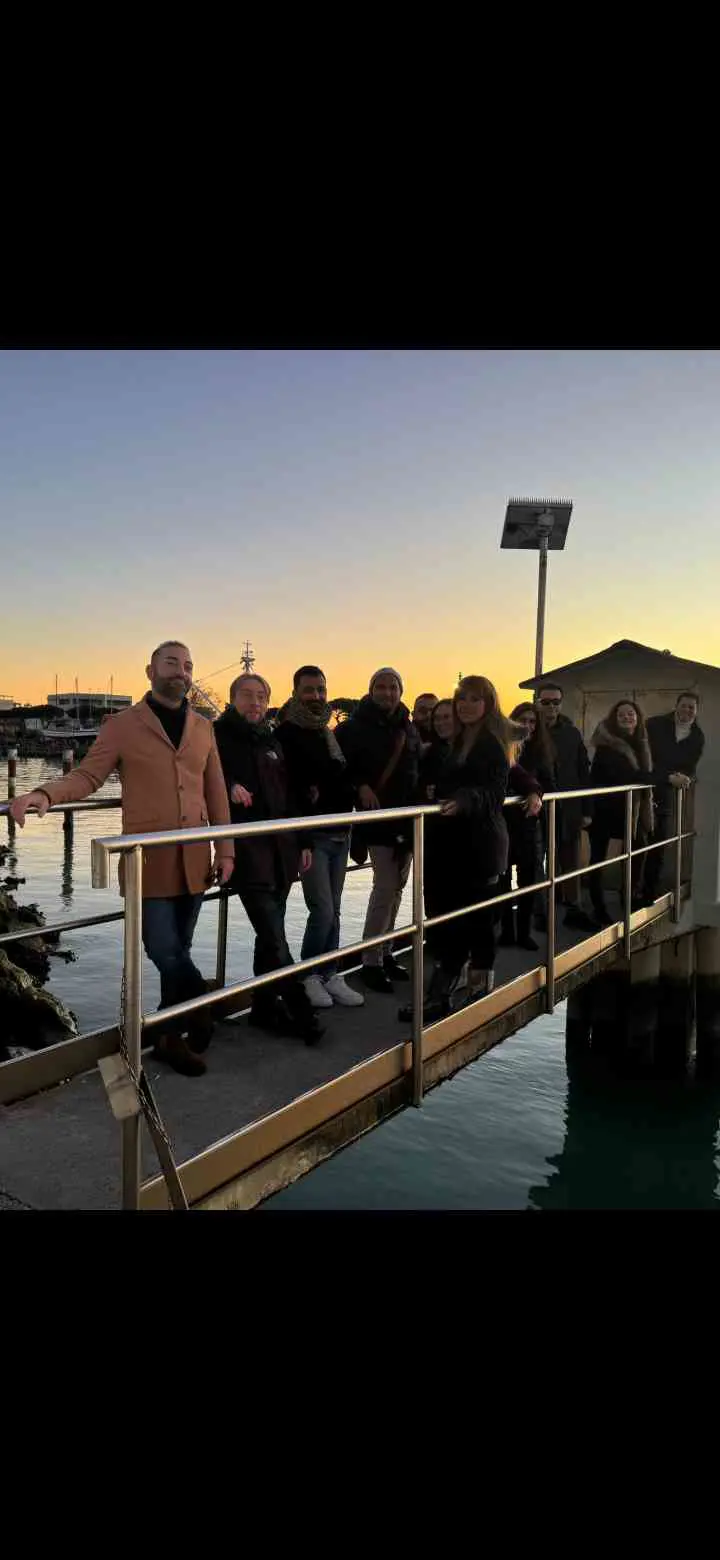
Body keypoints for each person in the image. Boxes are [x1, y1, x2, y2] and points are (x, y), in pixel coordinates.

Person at [8, 641, 234, 1077]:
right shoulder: (123, 725)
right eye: (172, 663)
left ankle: (169, 1039)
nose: (181, 671)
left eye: (188, 665)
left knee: (180, 949)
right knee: (162, 948)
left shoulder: (204, 727)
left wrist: (225, 849)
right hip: (147, 859)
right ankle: (201, 1004)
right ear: (150, 671)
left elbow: (216, 792)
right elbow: (88, 775)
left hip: (195, 857)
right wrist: (45, 794)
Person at [213, 672, 324, 1045]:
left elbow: (290, 795)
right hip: (247, 851)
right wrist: (228, 786)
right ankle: (301, 1009)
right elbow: (203, 774)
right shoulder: (217, 736)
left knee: (268, 937)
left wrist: (303, 841)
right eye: (247, 695)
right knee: (274, 935)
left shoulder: (271, 740)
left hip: (282, 851)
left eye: (261, 696)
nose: (255, 702)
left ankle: (262, 1008)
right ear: (232, 699)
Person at [402, 675, 510, 1022]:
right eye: (462, 698)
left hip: (479, 846)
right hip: (455, 846)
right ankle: (442, 995)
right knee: (456, 924)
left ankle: (470, 992)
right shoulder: (459, 741)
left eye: (475, 699)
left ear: (488, 704)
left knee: (477, 923)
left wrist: (464, 799)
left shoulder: (490, 743)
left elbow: (494, 791)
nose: (466, 706)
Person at [276, 665, 363, 1010]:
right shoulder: (287, 733)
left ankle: (330, 972)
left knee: (335, 909)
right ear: (296, 692)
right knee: (322, 909)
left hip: (341, 830)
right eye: (309, 689)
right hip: (312, 835)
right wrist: (302, 838)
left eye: (321, 690)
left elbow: (338, 777)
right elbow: (292, 787)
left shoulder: (327, 732)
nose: (316, 696)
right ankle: (309, 974)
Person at [336, 667, 422, 993]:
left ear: (401, 691)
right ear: (371, 690)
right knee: (385, 887)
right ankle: (370, 960)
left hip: (406, 818)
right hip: (377, 818)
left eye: (393, 687)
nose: (387, 692)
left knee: (398, 888)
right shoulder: (354, 727)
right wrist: (360, 785)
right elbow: (342, 767)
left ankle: (386, 951)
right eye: (381, 687)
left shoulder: (407, 727)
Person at [585, 700, 657, 924]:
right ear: (614, 719)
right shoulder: (607, 746)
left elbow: (641, 774)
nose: (627, 718)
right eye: (622, 715)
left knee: (639, 846)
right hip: (603, 809)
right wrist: (662, 778)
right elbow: (625, 776)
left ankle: (630, 896)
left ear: (638, 718)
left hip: (631, 809)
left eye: (631, 714)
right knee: (598, 859)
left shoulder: (641, 742)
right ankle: (598, 906)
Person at [499, 703, 556, 950]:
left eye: (532, 722)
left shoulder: (542, 752)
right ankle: (506, 931)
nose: (528, 726)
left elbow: (549, 783)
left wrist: (535, 793)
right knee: (503, 881)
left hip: (529, 823)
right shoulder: (504, 748)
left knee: (528, 880)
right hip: (504, 823)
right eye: (523, 720)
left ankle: (524, 932)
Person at [535, 682, 592, 927]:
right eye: (546, 702)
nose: (551, 707)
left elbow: (583, 770)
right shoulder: (528, 729)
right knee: (536, 861)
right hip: (537, 808)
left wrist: (587, 810)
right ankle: (539, 913)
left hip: (568, 807)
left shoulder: (572, 733)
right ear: (537, 702)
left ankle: (573, 908)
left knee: (570, 859)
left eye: (556, 702)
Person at [643, 692, 703, 902]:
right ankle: (629, 892)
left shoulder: (697, 736)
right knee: (637, 841)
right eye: (684, 705)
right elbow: (645, 759)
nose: (687, 710)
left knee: (659, 843)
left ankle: (649, 892)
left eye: (691, 707)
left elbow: (690, 766)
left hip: (667, 794)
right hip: (643, 788)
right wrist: (667, 776)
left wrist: (686, 778)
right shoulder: (654, 725)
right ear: (676, 706)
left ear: (696, 711)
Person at [418, 698, 454, 800]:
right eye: (437, 718)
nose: (440, 723)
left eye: (446, 717)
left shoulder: (475, 751)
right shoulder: (429, 754)